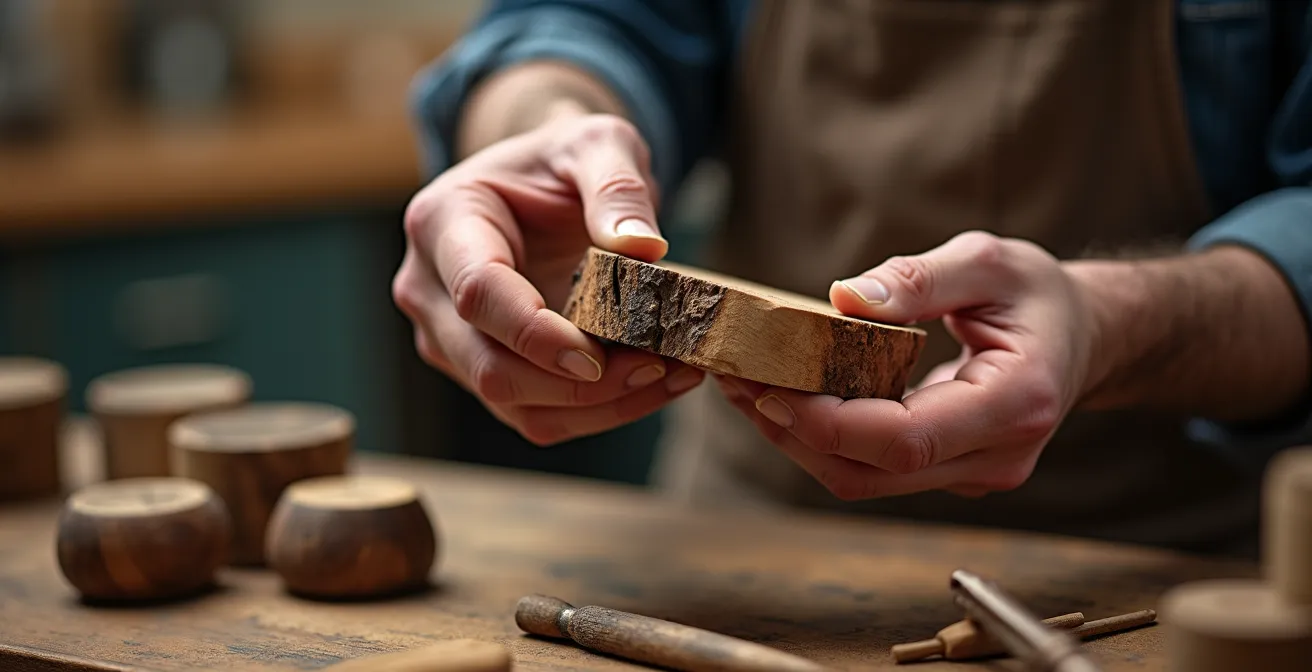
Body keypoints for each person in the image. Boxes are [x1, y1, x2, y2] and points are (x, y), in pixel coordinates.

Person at [393, 0, 1312, 558]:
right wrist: (539, 122)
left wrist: (1115, 322)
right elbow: (588, 20)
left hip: (1172, 574)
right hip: (733, 547)